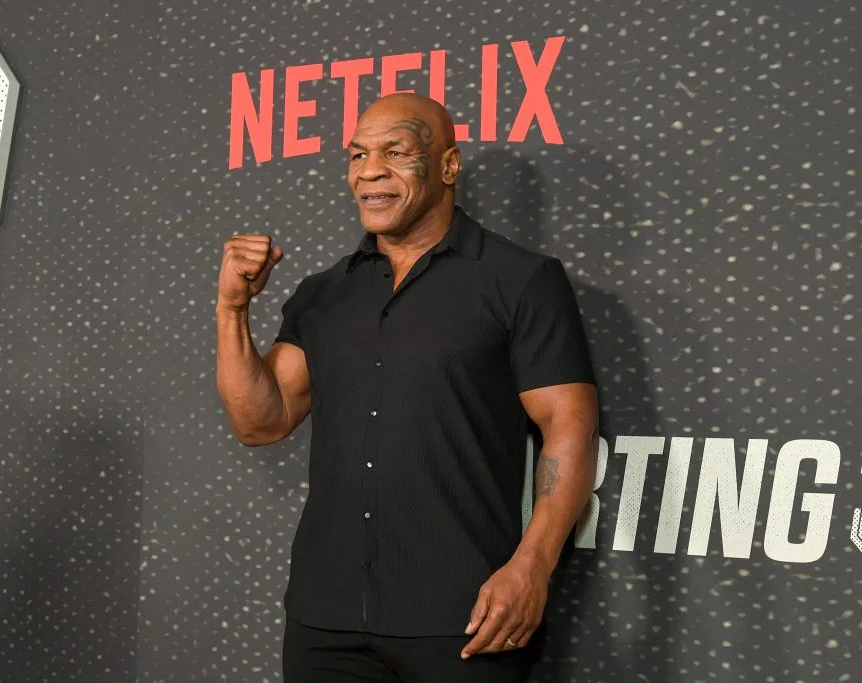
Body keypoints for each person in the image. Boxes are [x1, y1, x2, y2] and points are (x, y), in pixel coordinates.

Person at [215, 93, 599, 683]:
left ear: (448, 165)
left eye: (395, 153)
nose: (370, 171)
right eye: (358, 156)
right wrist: (232, 309)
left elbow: (568, 426)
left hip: (466, 620)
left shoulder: (520, 280)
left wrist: (532, 567)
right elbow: (260, 422)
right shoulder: (323, 295)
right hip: (326, 621)